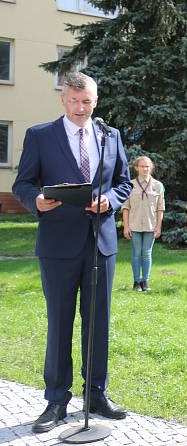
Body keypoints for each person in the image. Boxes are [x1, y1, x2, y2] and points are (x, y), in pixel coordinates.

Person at [12, 72, 132, 433]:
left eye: (88, 102)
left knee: (98, 325)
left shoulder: (111, 137)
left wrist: (108, 200)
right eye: (74, 101)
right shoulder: (40, 136)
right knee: (60, 323)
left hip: (101, 244)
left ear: (95, 101)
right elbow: (22, 183)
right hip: (58, 245)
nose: (81, 108)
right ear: (63, 100)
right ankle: (56, 400)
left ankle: (96, 394)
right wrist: (35, 201)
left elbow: (124, 181)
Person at [122, 156, 165, 292]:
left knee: (146, 253)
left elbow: (160, 208)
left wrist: (158, 226)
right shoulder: (130, 185)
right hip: (134, 225)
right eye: (142, 166)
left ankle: (145, 281)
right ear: (136, 168)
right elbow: (126, 208)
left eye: (147, 166)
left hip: (150, 225)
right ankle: (136, 282)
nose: (145, 169)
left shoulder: (158, 185)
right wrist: (126, 226)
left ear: (150, 167)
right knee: (136, 253)